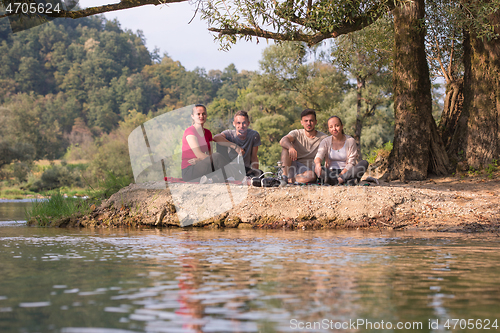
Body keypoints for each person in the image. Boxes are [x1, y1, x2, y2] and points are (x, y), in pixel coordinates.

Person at [181, 104, 237, 182]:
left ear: (206, 115)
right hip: (190, 170)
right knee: (217, 156)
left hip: (203, 166)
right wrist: (202, 159)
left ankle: (230, 175)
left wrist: (200, 160)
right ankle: (238, 175)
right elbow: (199, 155)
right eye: (198, 114)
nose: (201, 116)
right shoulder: (190, 132)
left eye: (203, 114)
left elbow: (210, 155)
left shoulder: (208, 133)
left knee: (216, 158)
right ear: (192, 116)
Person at [314, 116, 369, 185]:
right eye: (331, 127)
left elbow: (351, 163)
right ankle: (344, 181)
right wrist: (318, 164)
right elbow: (319, 155)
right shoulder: (325, 141)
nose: (334, 129)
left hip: (347, 172)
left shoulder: (350, 141)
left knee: (364, 163)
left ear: (342, 126)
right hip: (331, 173)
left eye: (337, 126)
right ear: (328, 129)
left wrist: (342, 175)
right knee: (315, 166)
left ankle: (338, 181)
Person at [280, 109, 328, 183]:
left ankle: (291, 180)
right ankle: (284, 177)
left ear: (316, 122)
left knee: (310, 175)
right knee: (286, 147)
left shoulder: (324, 138)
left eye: (311, 121)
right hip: (293, 165)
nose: (308, 123)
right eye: (306, 121)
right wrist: (290, 147)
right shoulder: (297, 133)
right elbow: (283, 140)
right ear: (301, 122)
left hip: (310, 169)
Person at [213, 110, 263, 178]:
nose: (241, 126)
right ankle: (221, 175)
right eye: (238, 123)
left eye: (244, 123)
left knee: (260, 173)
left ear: (248, 123)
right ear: (234, 124)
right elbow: (216, 138)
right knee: (220, 143)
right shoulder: (229, 134)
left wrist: (256, 174)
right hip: (229, 168)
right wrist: (235, 147)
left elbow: (254, 157)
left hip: (244, 169)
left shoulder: (254, 135)